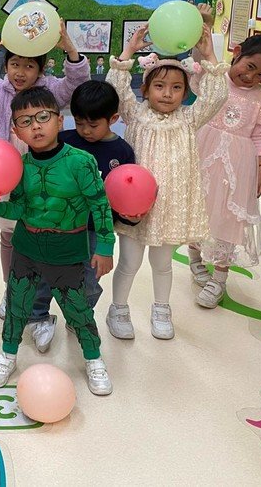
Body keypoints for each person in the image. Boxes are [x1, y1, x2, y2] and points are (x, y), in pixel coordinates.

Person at [0, 87, 115, 396]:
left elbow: (100, 205)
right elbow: (19, 209)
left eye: (43, 117)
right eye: (25, 121)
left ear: (59, 121)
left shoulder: (81, 162)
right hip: (26, 248)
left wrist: (105, 247)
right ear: (15, 130)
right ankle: (7, 355)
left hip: (67, 250)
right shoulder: (20, 166)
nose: (35, 126)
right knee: (17, 305)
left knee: (78, 310)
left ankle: (93, 359)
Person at [0, 22, 89, 352]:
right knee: (10, 236)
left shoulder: (51, 91)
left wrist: (70, 48)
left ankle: (39, 304)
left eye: (29, 66)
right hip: (4, 178)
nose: (20, 72)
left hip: (42, 177)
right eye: (14, 64)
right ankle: (12, 289)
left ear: (41, 69)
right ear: (6, 65)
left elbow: (77, 85)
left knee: (41, 234)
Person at [105, 21, 228, 340]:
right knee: (129, 262)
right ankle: (118, 309)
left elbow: (216, 96)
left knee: (163, 264)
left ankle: (161, 309)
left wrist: (209, 55)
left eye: (176, 88)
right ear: (145, 89)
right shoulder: (135, 113)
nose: (168, 93)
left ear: (185, 92)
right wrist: (129, 51)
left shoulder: (189, 118)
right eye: (159, 86)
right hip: (134, 207)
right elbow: (116, 89)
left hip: (171, 207)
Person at [187, 32, 261, 307]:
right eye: (250, 66)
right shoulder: (214, 79)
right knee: (198, 208)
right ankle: (195, 260)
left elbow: (257, 136)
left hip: (239, 163)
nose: (251, 77)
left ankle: (219, 278)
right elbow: (198, 64)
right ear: (238, 52)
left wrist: (260, 168)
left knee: (230, 217)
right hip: (204, 152)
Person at [59, 80, 137, 308]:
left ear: (113, 119)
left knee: (91, 278)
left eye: (93, 125)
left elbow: (125, 194)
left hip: (96, 230)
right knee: (53, 272)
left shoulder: (122, 152)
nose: (85, 130)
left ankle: (81, 314)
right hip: (61, 225)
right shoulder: (65, 141)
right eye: (79, 122)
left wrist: (128, 218)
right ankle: (41, 313)